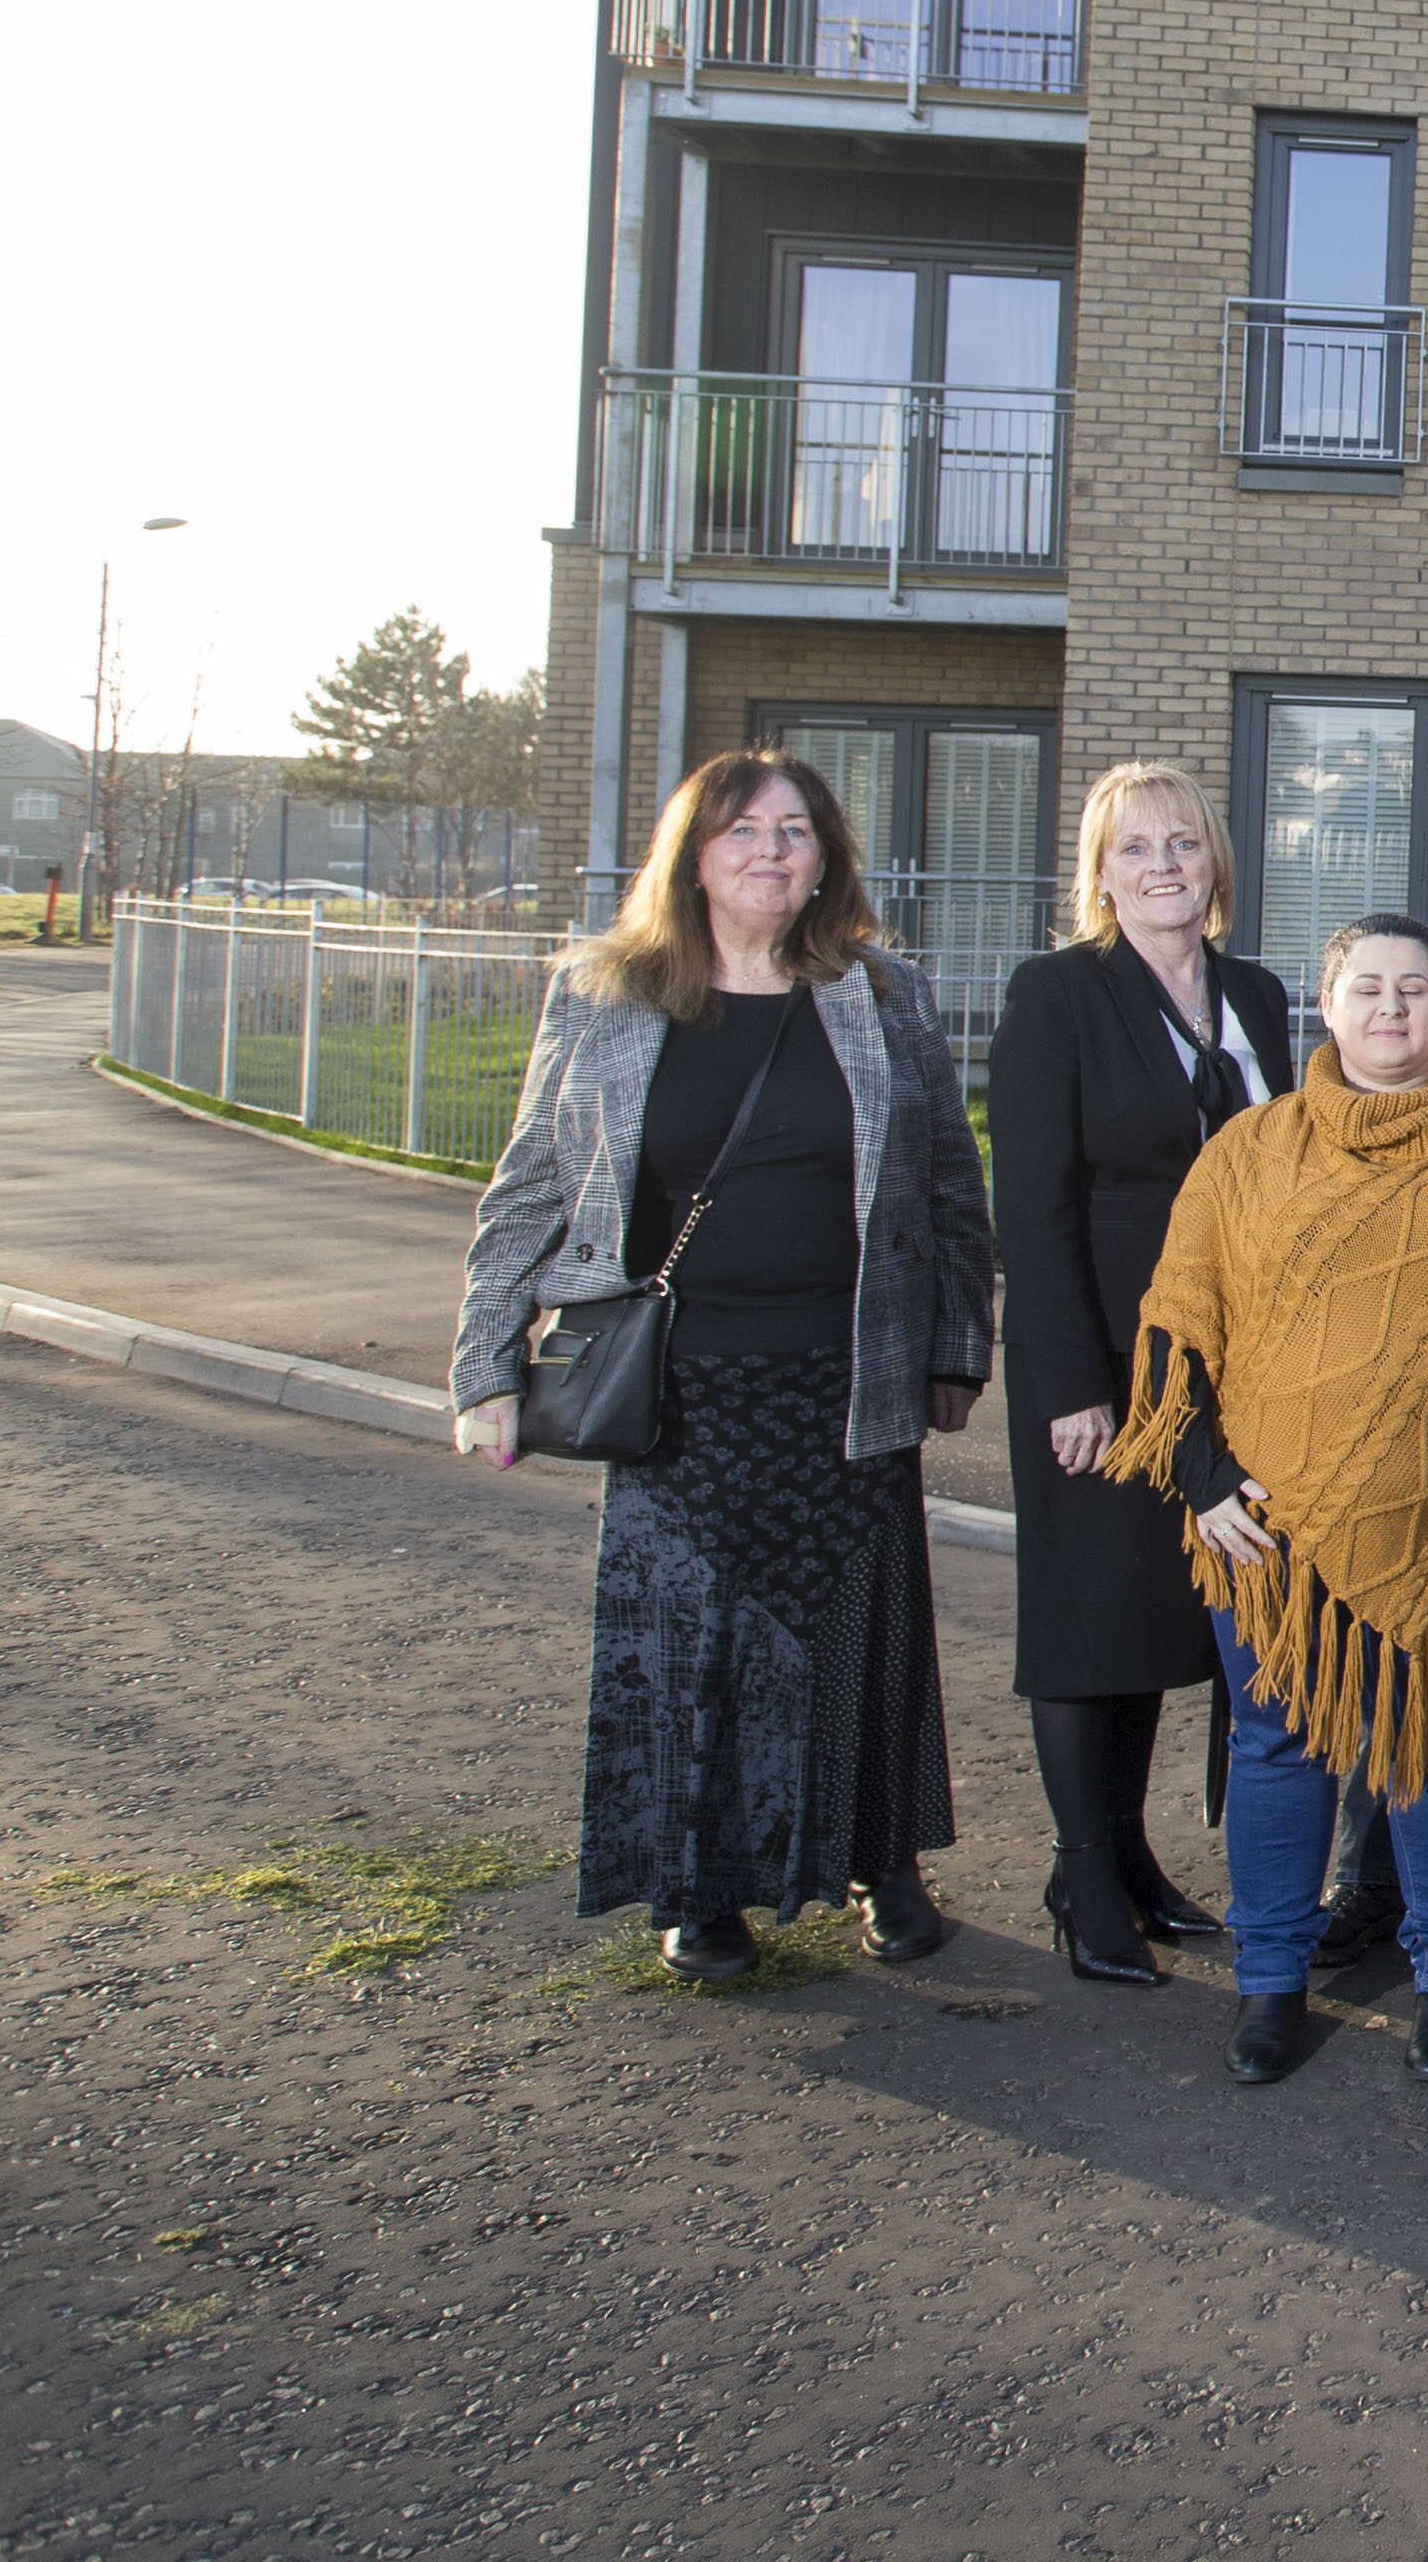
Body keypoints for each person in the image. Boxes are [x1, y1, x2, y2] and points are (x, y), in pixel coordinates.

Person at [451, 750, 993, 1983]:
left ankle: (881, 1863)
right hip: (677, 1386)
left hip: (848, 1373)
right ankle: (704, 1889)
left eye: (796, 832)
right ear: (692, 855)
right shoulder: (605, 992)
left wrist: (958, 1348)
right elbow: (532, 1180)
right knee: (695, 1632)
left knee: (861, 1628)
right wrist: (486, 1365)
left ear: (825, 861)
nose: (771, 853)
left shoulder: (883, 993)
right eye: (743, 831)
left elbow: (952, 1183)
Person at [1111, 915, 1428, 2089]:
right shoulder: (1248, 1150)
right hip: (1265, 1518)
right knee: (1276, 1744)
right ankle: (1270, 1982)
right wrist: (1202, 1478)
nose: (1391, 1009)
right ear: (1325, 1008)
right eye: (1367, 989)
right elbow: (1183, 1316)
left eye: (1415, 990)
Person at [983, 762, 1294, 1985]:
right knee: (1086, 1613)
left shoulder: (1258, 997)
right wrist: (1072, 1385)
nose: (1163, 866)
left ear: (1215, 863)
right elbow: (1033, 1203)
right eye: (1135, 850)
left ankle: (1128, 1858)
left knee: (1161, 1615)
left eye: (1183, 845)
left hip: (1230, 1366)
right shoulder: (1059, 994)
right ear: (1099, 876)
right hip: (1102, 1359)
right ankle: (1082, 1876)